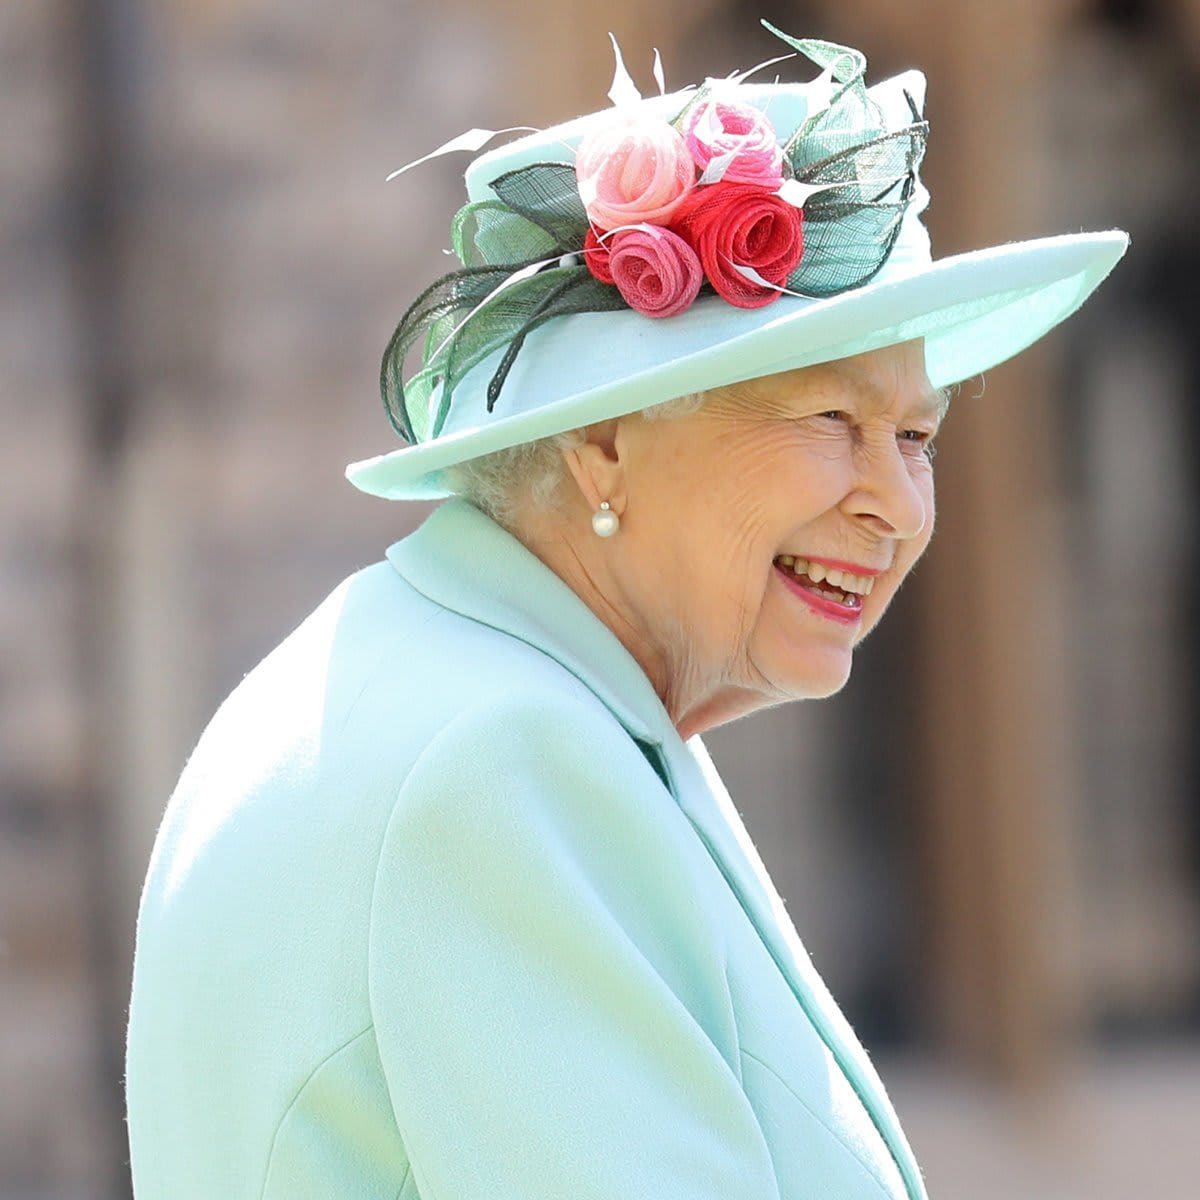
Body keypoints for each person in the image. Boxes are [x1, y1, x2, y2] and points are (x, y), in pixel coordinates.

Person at [124, 22, 1128, 1200]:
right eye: (829, 423)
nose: (897, 507)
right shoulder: (504, 761)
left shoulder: (478, 684)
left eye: (916, 438)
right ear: (604, 443)